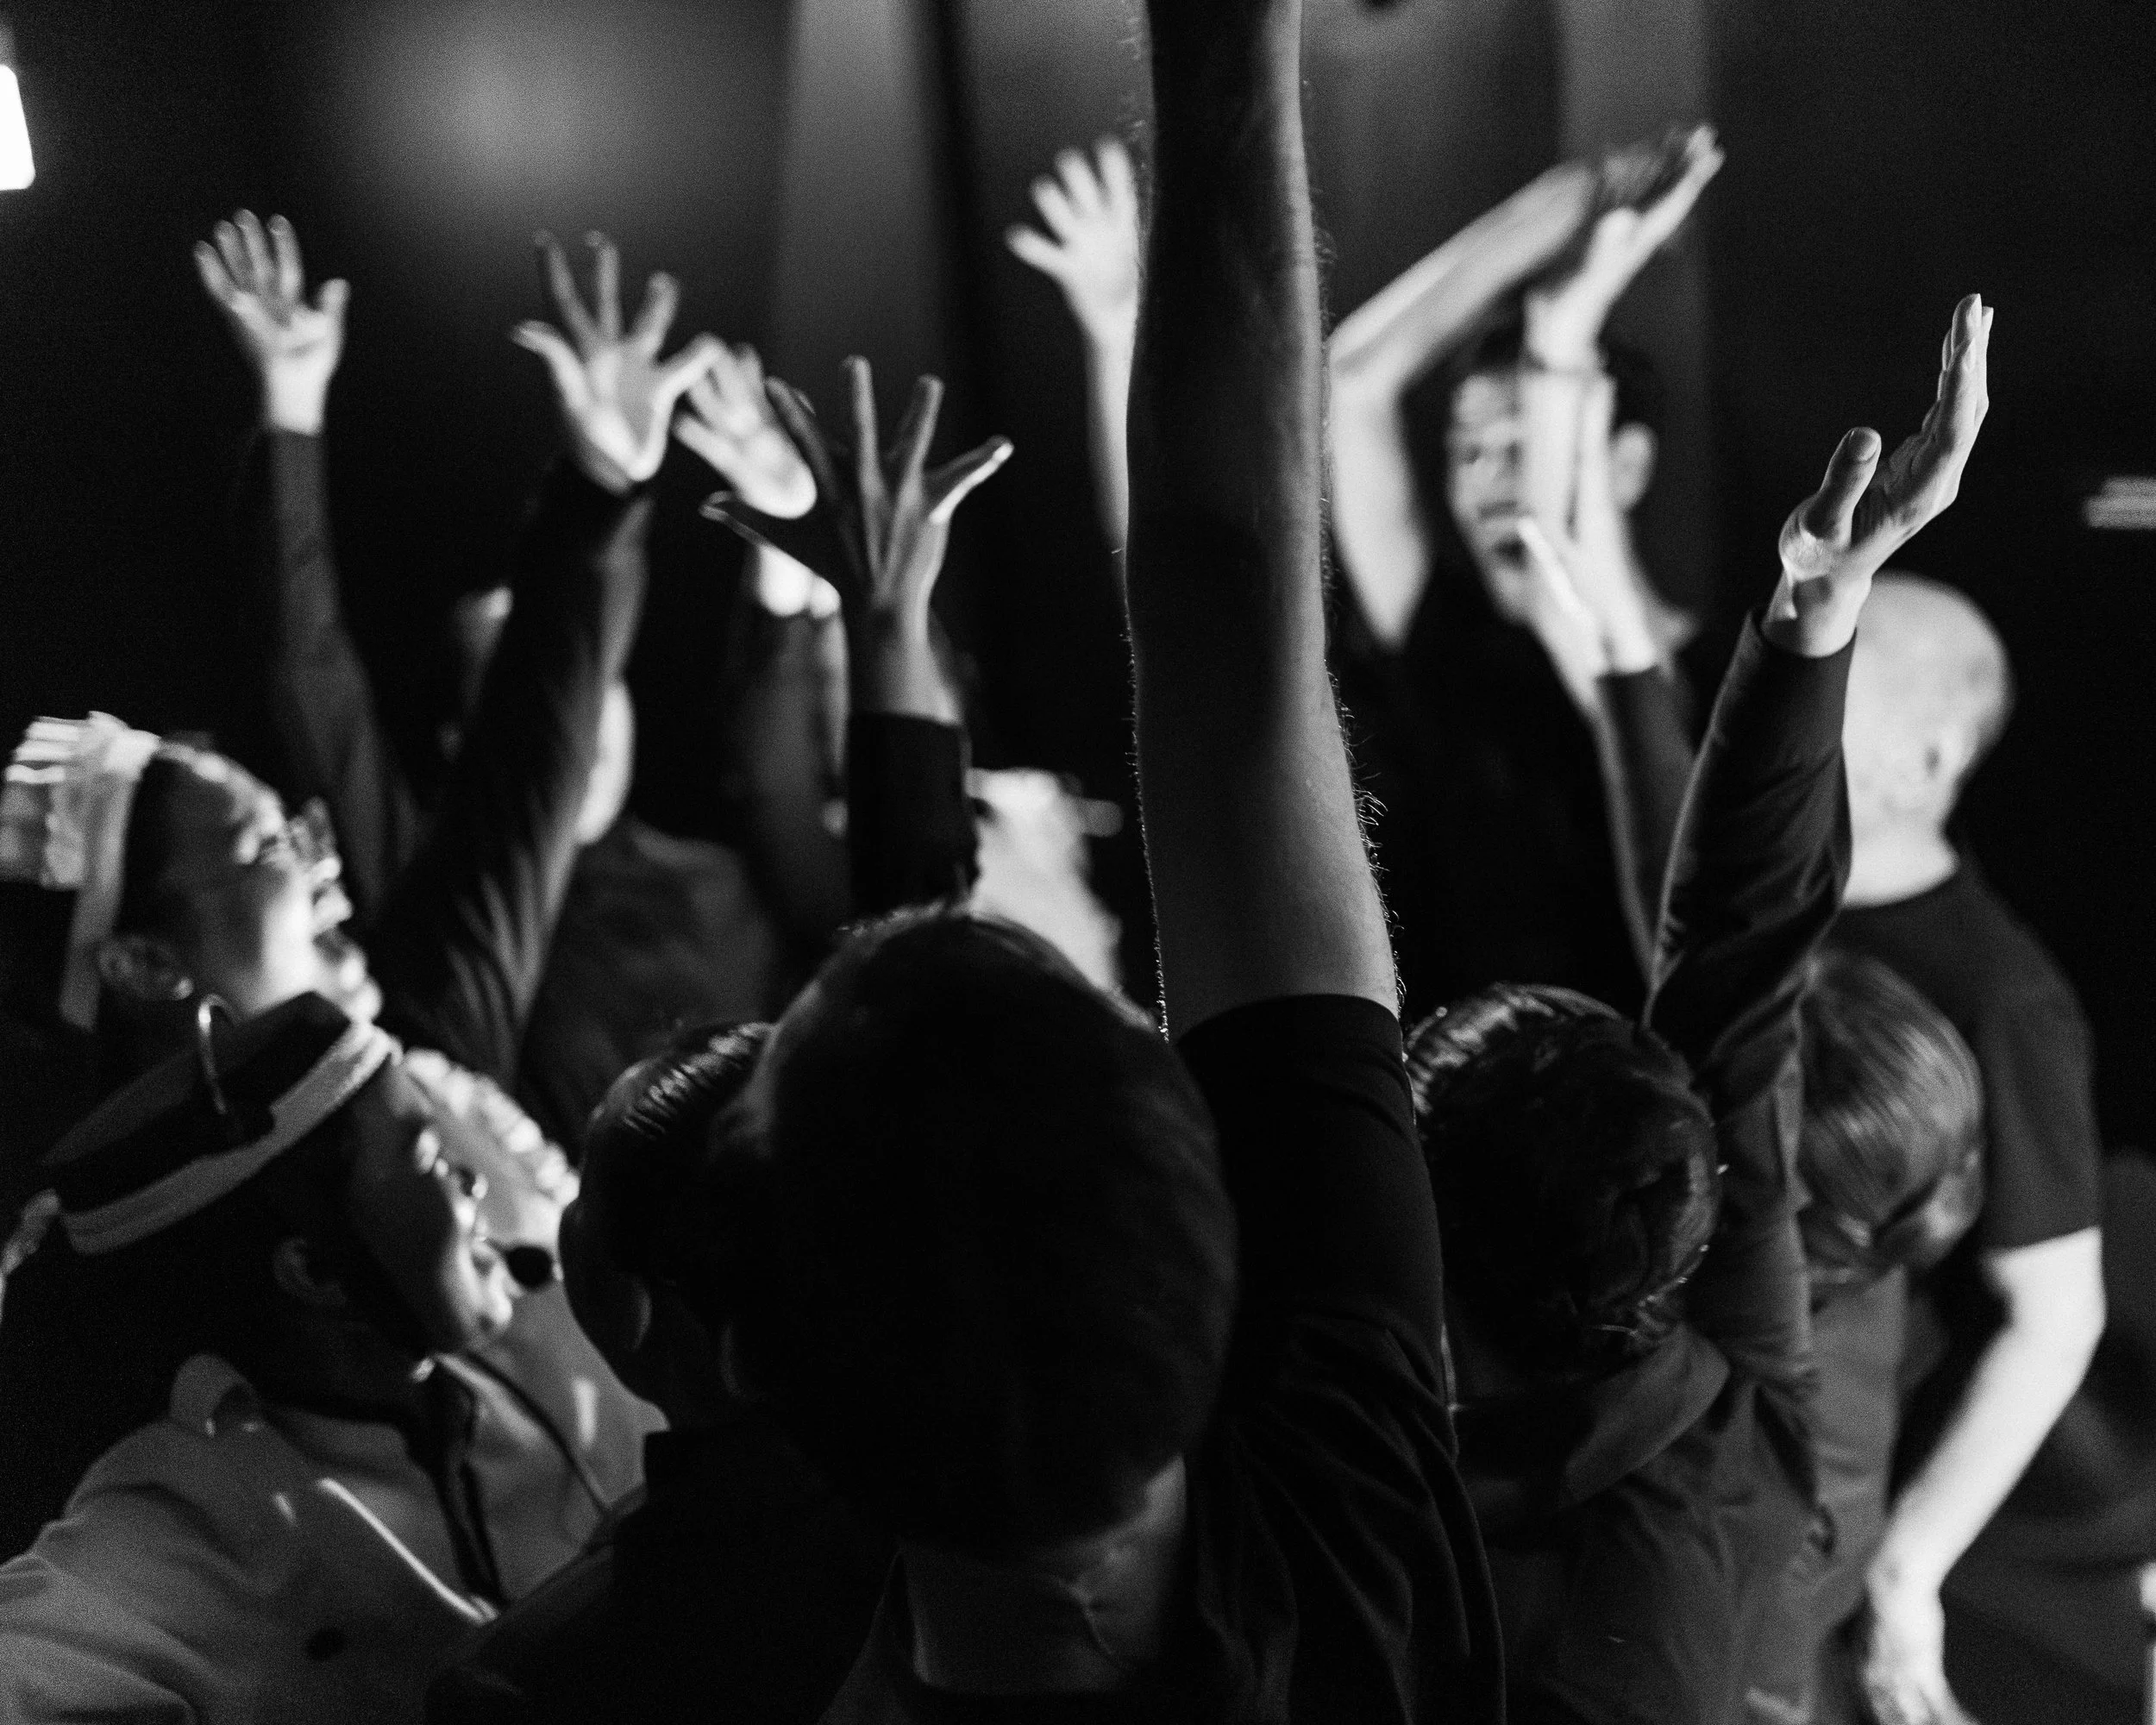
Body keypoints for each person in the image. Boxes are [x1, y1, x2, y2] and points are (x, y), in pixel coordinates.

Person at [553, 3, 1512, 1716]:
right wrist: (1225, 42)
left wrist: (879, 642)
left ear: (758, 1369)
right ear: (1215, 1251)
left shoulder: (678, 1662)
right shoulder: (1348, 1508)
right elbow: (1228, 597)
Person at [0, 228, 709, 1552]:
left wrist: (604, 489)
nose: (326, 865)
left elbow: (524, 782)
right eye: (272, 852)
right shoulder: (102, 1286)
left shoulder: (422, 1048)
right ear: (146, 963)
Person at [1412, 293, 1991, 1723]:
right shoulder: (1753, 1401)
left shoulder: (1398, 1513)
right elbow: (1733, 955)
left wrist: (1812, 618)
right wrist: (1809, 619)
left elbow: (1734, 966)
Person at [427, 359, 1006, 1722]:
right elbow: (921, 986)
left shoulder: (536, 1682)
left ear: (617, 1299)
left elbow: (908, 972)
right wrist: (881, 614)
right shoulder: (1001, 1494)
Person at [196, 212, 831, 1156]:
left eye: (590, 674)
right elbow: (307, 673)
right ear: (469, 733)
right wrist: (290, 406)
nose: (580, 711)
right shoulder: (431, 884)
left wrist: (787, 533)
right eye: (527, 687)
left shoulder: (717, 881)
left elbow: (784, 768)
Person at [0, 991, 661, 1723]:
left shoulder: (544, 1326)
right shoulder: (201, 1519)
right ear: (315, 1271)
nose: (471, 1180)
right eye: (427, 1157)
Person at [1322, 128, 1720, 1017]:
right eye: (1469, 451)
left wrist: (1564, 328)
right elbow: (1352, 379)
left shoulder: (1711, 677)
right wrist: (1575, 196)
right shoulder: (1447, 639)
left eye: (1521, 445)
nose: (1492, 483)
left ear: (1625, 465)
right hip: (1461, 1074)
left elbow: (1560, 567)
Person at [1832, 574, 2107, 1725]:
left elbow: (2056, 1318)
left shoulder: (2002, 1000)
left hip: (1851, 1499)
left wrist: (1907, 1569)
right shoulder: (1763, 900)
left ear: (1931, 755)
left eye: (1834, 677)